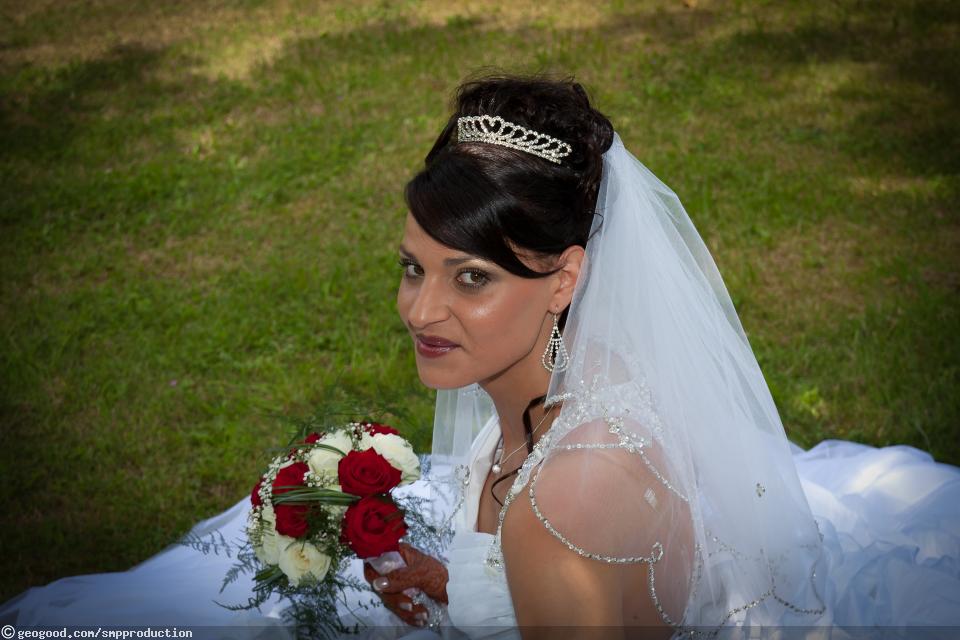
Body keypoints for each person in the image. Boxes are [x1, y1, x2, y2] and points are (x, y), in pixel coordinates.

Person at [2, 74, 959, 639]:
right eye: (412, 268)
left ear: (564, 276)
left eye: (471, 279)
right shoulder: (598, 375)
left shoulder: (557, 510)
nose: (421, 310)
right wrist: (465, 581)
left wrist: (519, 572)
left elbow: (573, 554)